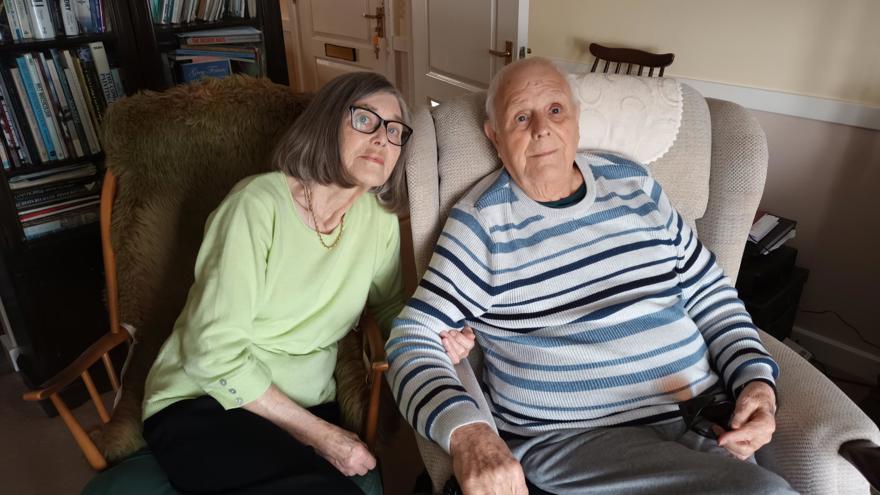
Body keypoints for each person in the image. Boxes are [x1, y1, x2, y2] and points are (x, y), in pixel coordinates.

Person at [386, 57, 796, 495]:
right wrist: (469, 434)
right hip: (573, 445)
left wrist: (756, 381)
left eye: (556, 111)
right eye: (521, 117)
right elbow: (412, 338)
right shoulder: (482, 225)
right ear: (496, 138)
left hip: (699, 423)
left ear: (577, 122)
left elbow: (713, 297)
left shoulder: (635, 186)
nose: (542, 128)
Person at [140, 72, 470, 494]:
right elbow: (211, 353)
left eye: (394, 131)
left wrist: (430, 336)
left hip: (306, 401)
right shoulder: (256, 206)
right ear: (326, 122)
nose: (383, 140)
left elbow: (388, 309)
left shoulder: (378, 220)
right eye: (365, 120)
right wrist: (318, 434)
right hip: (205, 401)